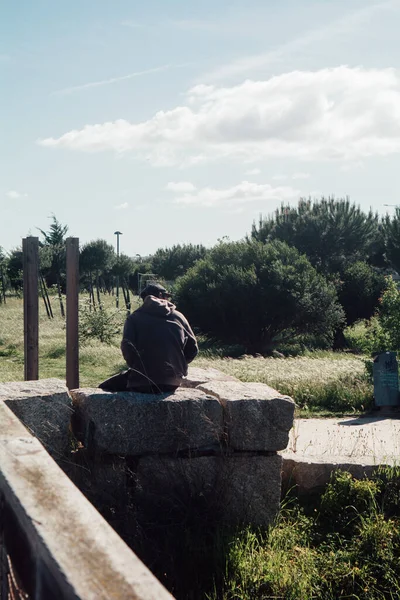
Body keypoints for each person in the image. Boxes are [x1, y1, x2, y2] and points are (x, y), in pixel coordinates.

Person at [100, 283, 198, 393]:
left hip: (141, 382)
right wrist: (177, 364)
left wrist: (137, 367)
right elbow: (193, 349)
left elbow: (127, 348)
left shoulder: (133, 318)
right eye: (167, 296)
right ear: (161, 295)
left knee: (104, 387)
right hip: (173, 381)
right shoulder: (179, 317)